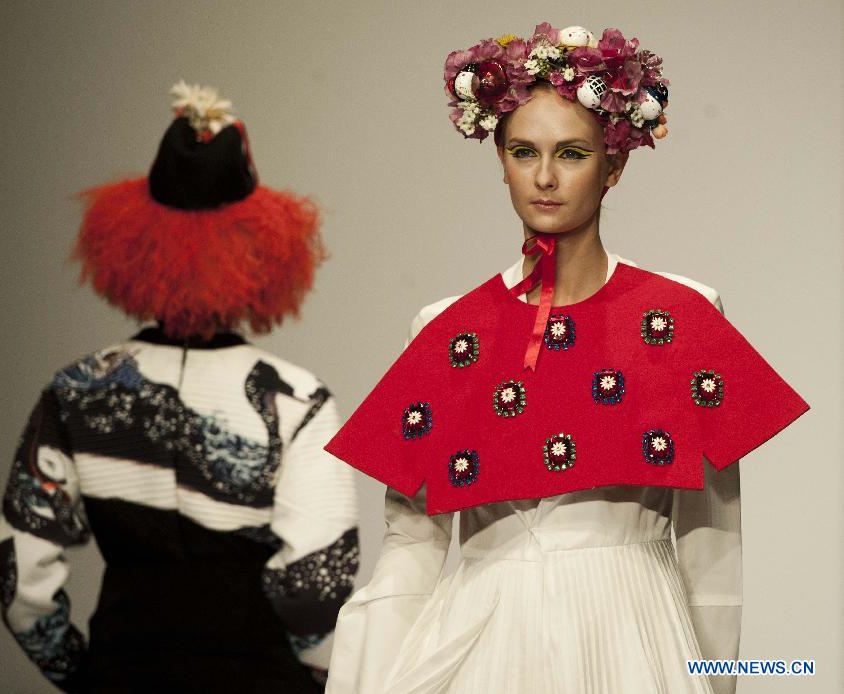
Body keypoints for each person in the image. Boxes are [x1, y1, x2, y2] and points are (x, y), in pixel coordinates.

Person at [323, 23, 808, 694]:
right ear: (500, 160)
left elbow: (713, 537)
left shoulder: (682, 315)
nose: (545, 177)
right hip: (482, 635)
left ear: (615, 166)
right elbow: (413, 540)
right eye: (524, 151)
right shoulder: (443, 329)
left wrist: (717, 680)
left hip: (636, 633)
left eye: (572, 153)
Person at [0, 81, 359, 693]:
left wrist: (81, 673)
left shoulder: (77, 390)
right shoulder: (297, 400)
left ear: (130, 244)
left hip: (120, 670)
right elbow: (315, 587)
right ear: (264, 251)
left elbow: (18, 572)